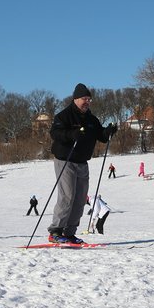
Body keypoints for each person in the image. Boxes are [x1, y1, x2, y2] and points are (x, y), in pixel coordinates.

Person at [47, 83, 117, 244]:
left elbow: (102, 136)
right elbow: (55, 133)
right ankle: (55, 231)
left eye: (89, 99)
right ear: (76, 99)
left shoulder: (92, 119)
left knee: (79, 199)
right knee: (67, 196)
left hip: (82, 162)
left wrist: (109, 131)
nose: (87, 102)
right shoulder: (64, 116)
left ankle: (70, 232)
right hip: (65, 160)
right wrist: (72, 134)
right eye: (84, 99)